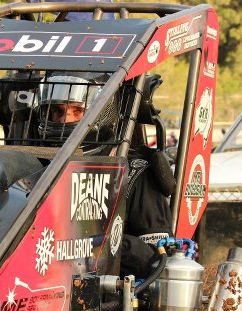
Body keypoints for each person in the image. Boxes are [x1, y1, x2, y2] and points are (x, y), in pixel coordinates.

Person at [37, 72, 174, 279]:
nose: (65, 120)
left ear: (102, 113)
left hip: (108, 294)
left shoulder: (135, 173)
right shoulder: (37, 164)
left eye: (77, 111)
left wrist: (96, 245)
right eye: (56, 111)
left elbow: (157, 259)